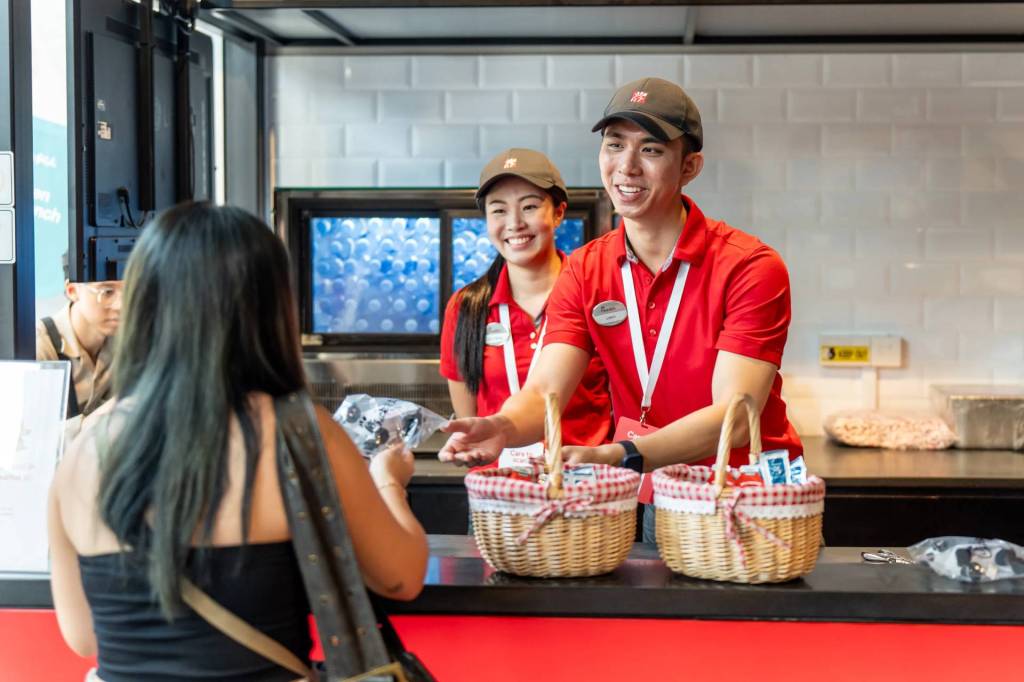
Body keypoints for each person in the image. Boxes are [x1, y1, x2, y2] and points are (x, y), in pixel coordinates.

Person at [47, 202, 428, 681]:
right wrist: (387, 482)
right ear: (269, 309)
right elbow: (400, 576)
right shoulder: (297, 432)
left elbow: (85, 637)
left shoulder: (84, 449)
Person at [439, 77, 802, 543]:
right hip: (655, 488)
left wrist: (622, 454)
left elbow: (735, 414)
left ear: (689, 165)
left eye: (651, 150)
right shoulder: (586, 269)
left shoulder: (750, 266)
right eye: (614, 145)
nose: (626, 167)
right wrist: (503, 426)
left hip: (749, 492)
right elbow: (545, 390)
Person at [440, 148, 613, 472]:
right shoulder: (466, 307)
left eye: (530, 207)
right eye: (499, 210)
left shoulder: (596, 298)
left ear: (559, 212)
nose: (515, 224)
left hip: (586, 493)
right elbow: (469, 419)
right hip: (498, 496)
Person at [36, 267, 121, 419]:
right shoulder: (38, 347)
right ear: (72, 290)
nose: (120, 305)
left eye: (130, 291)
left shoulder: (129, 341)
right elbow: (33, 435)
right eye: (107, 292)